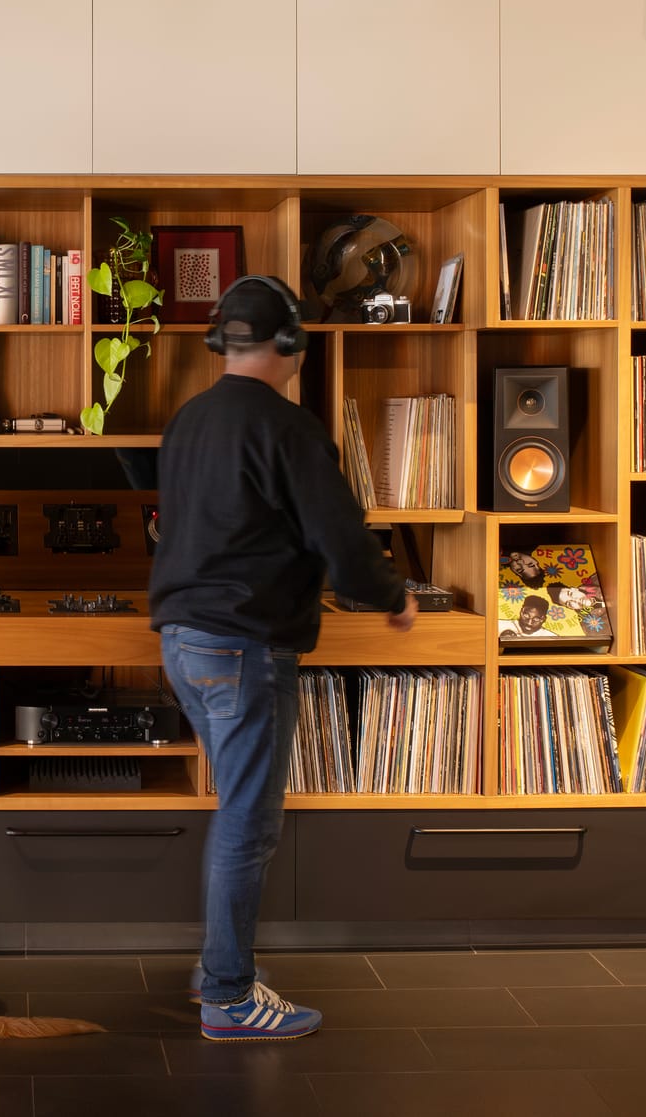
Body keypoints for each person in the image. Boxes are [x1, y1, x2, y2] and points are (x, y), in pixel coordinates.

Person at [149, 274, 415, 1042]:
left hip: (183, 641)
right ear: (289, 342)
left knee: (235, 806)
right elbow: (340, 537)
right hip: (243, 645)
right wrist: (393, 594)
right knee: (250, 819)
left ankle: (218, 968)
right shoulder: (289, 427)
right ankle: (230, 995)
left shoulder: (188, 420)